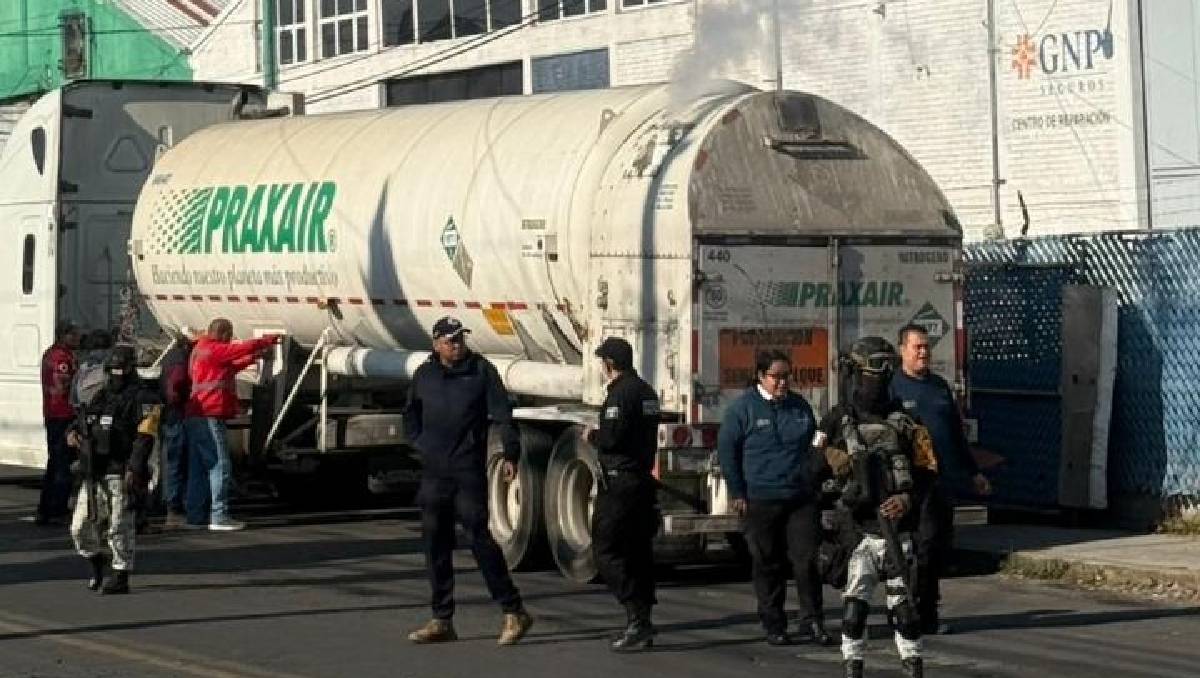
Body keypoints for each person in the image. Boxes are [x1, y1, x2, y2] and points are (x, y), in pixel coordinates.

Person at [403, 316, 533, 646]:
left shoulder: (480, 371)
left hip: (467, 471)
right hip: (434, 472)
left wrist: (510, 453)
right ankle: (441, 619)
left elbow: (503, 414)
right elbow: (411, 414)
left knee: (479, 538)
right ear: (436, 344)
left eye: (460, 338)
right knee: (435, 543)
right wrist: (419, 444)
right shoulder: (425, 374)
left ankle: (513, 610)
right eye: (450, 340)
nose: (457, 344)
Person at [817, 336, 935, 678]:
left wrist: (906, 498)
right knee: (855, 612)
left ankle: (913, 665)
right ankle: (852, 665)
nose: (881, 378)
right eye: (874, 369)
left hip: (900, 530)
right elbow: (808, 469)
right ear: (855, 373)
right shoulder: (837, 421)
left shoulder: (907, 421)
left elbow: (927, 470)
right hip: (858, 533)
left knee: (905, 614)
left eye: (887, 369)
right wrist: (836, 463)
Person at [717, 350, 832, 647]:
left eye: (786, 377)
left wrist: (815, 471)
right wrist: (738, 492)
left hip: (799, 497)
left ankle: (812, 620)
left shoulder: (799, 407)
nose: (782, 383)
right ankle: (774, 623)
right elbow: (728, 453)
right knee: (767, 562)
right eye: (776, 377)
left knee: (807, 561)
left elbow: (814, 442)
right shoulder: (742, 410)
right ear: (760, 376)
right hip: (760, 498)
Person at [890, 324, 992, 634]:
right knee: (912, 550)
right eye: (916, 347)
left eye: (926, 347)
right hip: (907, 485)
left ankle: (928, 614)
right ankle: (907, 612)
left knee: (935, 549)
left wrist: (974, 473)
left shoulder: (939, 387)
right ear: (902, 351)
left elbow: (955, 436)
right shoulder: (893, 389)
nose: (923, 352)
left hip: (940, 483)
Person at [585, 337, 660, 652]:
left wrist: (593, 435)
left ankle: (636, 615)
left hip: (619, 483)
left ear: (609, 364)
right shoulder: (647, 392)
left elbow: (613, 438)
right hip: (642, 480)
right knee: (638, 551)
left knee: (605, 550)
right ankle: (643, 614)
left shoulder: (620, 395)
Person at [65, 346, 160, 594]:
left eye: (122, 370)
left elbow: (146, 436)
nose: (116, 375)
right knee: (79, 527)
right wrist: (72, 433)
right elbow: (82, 422)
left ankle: (120, 573)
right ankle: (96, 561)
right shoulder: (101, 396)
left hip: (122, 470)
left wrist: (135, 469)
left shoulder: (145, 398)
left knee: (119, 525)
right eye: (112, 370)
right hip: (94, 470)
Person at [184, 319, 278, 531]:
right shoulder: (214, 350)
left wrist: (254, 357)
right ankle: (219, 515)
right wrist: (264, 342)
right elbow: (236, 351)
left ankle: (195, 516)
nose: (231, 339)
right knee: (220, 465)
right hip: (209, 414)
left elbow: (229, 366)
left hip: (197, 415)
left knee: (199, 468)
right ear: (223, 333)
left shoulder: (202, 349)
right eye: (230, 334)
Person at [36, 321, 82, 526]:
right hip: (62, 414)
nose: (78, 338)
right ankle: (56, 509)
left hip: (53, 413)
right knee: (62, 464)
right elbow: (65, 385)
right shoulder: (61, 358)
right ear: (64, 335)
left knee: (55, 463)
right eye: (74, 334)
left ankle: (46, 508)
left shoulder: (49, 354)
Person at [159, 336, 194, 529]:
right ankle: (174, 506)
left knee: (172, 461)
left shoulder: (170, 357)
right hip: (176, 415)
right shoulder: (180, 360)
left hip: (170, 414)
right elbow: (175, 387)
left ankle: (171, 504)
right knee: (177, 462)